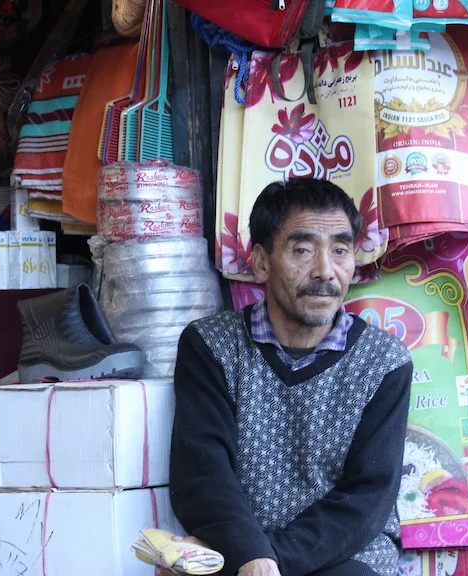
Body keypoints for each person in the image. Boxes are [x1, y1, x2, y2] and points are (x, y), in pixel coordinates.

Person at [164, 178, 412, 576]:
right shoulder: (210, 345)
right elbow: (203, 473)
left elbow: (368, 498)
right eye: (302, 250)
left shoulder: (384, 362)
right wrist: (248, 552)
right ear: (261, 261)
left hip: (343, 554)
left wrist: (270, 559)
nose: (325, 271)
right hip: (241, 547)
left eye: (341, 251)